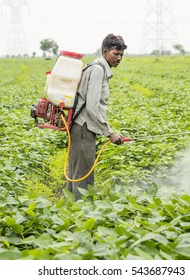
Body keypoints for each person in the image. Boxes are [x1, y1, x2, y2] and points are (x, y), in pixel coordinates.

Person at [66, 34, 127, 201]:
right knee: (83, 175)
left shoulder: (94, 66)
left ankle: (69, 210)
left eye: (121, 55)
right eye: (116, 54)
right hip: (83, 127)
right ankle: (82, 213)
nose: (119, 58)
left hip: (80, 126)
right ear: (105, 51)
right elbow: (92, 107)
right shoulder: (99, 69)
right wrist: (109, 132)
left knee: (76, 171)